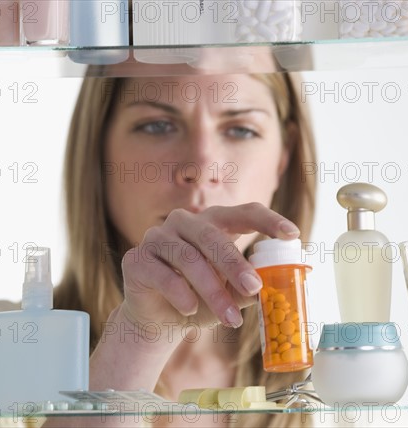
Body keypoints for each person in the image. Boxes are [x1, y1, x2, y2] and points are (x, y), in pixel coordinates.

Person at [41, 64, 318, 428]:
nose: (201, 165)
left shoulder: (329, 382)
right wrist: (139, 339)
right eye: (157, 125)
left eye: (240, 129)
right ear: (98, 149)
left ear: (284, 158)